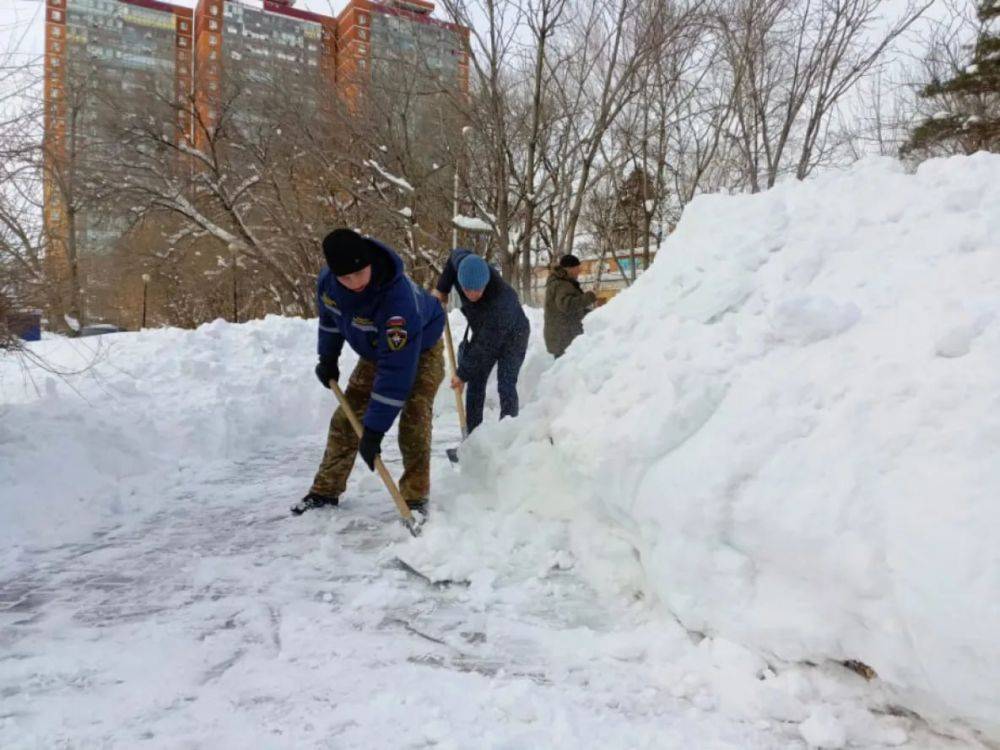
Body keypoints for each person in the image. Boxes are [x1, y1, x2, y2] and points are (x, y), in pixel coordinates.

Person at [293, 228, 445, 516]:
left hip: (421, 347)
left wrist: (375, 429)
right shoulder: (329, 283)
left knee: (413, 419)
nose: (354, 283)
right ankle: (325, 491)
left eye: (359, 273)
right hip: (377, 350)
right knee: (345, 419)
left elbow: (396, 371)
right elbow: (330, 320)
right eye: (345, 278)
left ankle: (414, 497)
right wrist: (328, 357)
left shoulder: (397, 300)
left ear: (369, 263)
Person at [432, 249, 530, 434]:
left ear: (486, 282)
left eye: (478, 290)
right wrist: (442, 289)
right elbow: (453, 257)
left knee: (506, 384)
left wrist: (462, 374)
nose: (473, 295)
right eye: (467, 290)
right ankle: (472, 439)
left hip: (514, 336)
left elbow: (485, 346)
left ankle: (507, 438)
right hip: (484, 328)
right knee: (476, 383)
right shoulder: (462, 264)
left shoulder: (502, 301)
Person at [543, 254, 596, 358]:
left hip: (563, 337)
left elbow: (570, 309)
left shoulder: (562, 282)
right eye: (577, 268)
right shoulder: (562, 284)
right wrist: (588, 297)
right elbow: (566, 305)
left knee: (566, 370)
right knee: (566, 372)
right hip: (564, 338)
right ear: (569, 268)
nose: (579, 271)